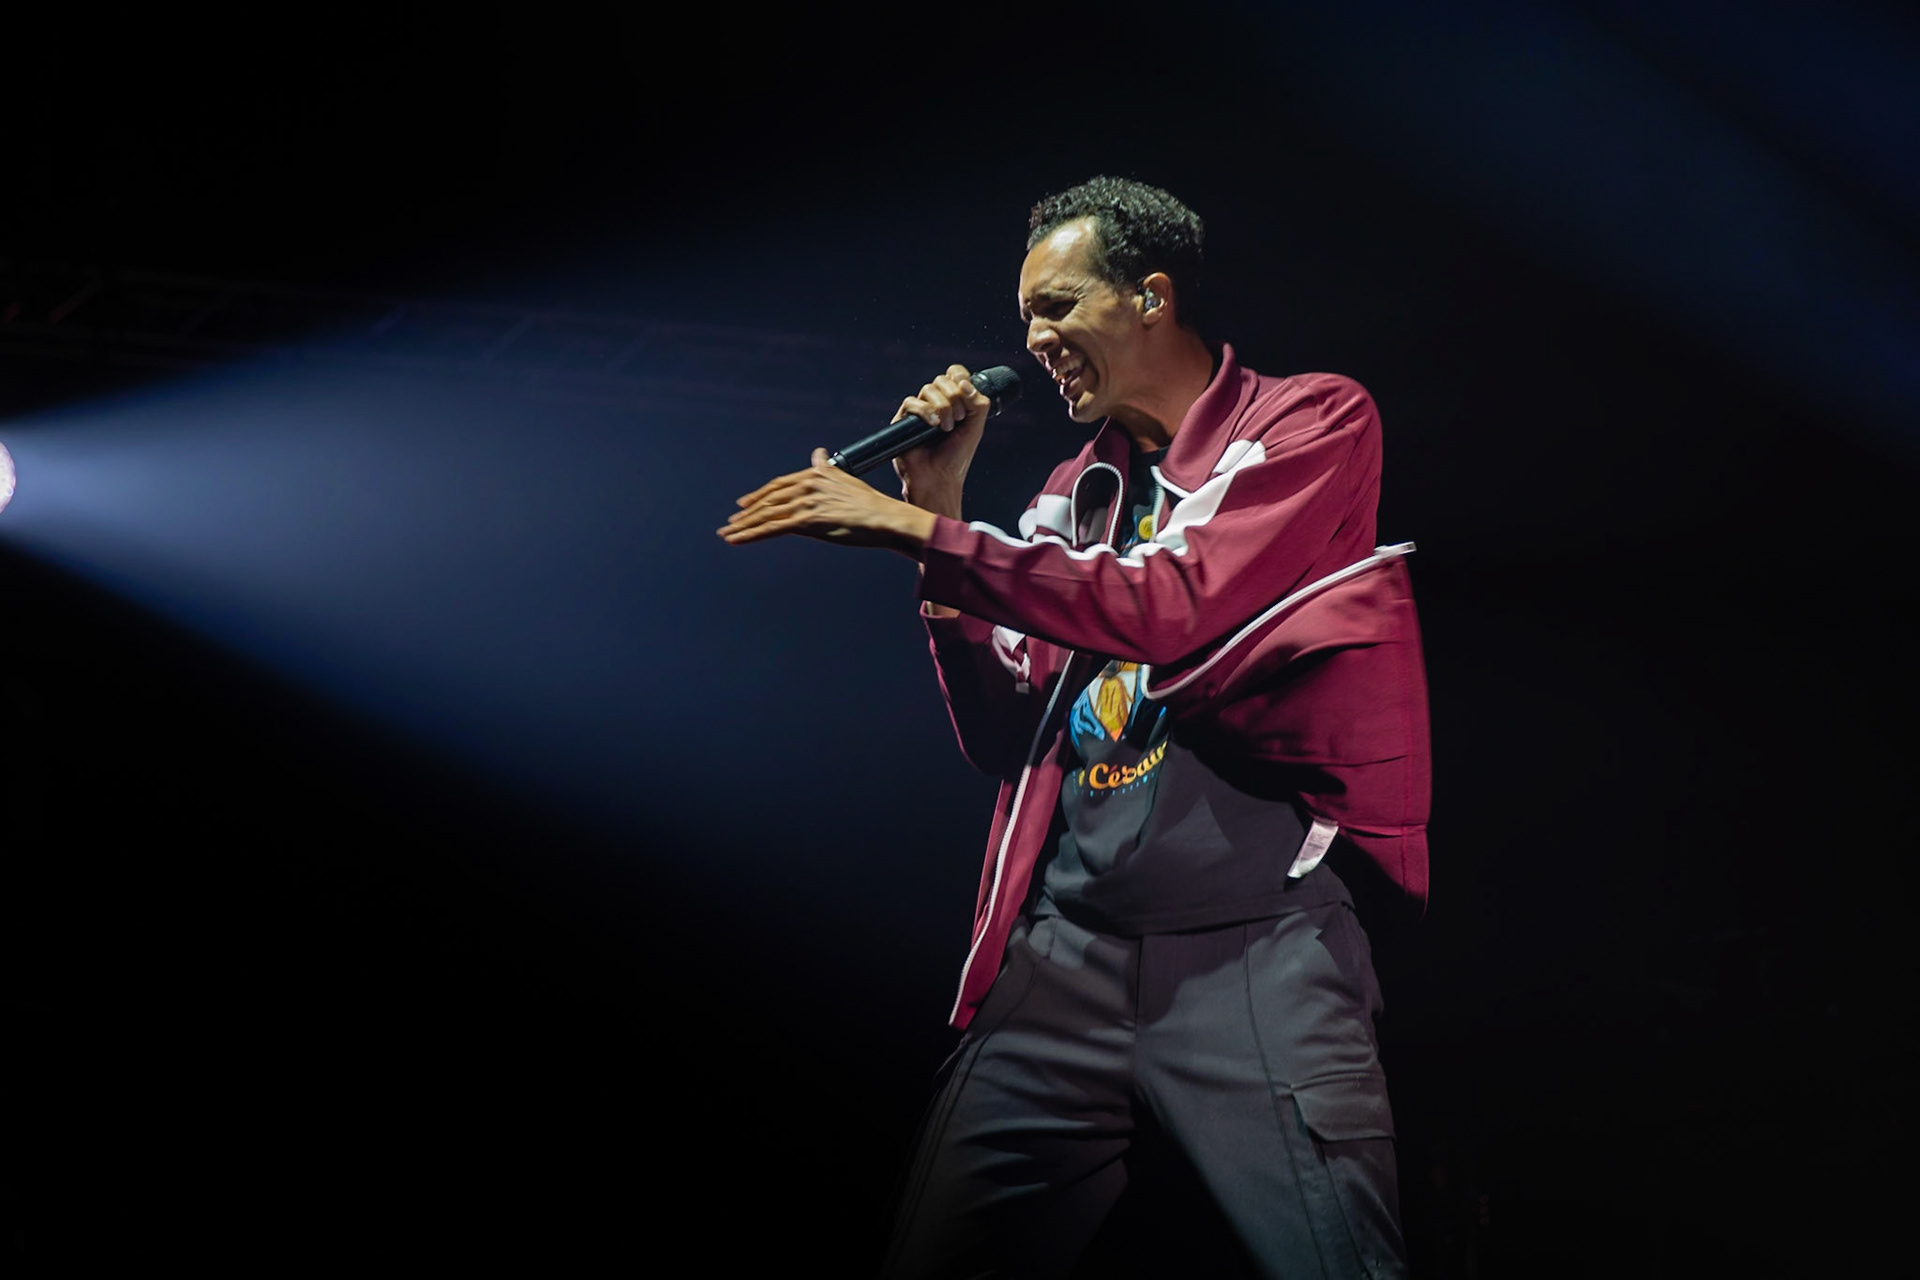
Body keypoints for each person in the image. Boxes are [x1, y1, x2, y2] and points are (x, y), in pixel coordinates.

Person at [720, 176, 1430, 1279]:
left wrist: (917, 533)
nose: (1034, 342)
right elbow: (1006, 741)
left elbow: (1173, 603)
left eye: (1056, 309)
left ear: (1149, 296)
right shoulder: (1071, 491)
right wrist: (943, 514)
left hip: (1255, 957)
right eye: (1026, 320)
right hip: (1066, 960)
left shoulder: (1312, 420)